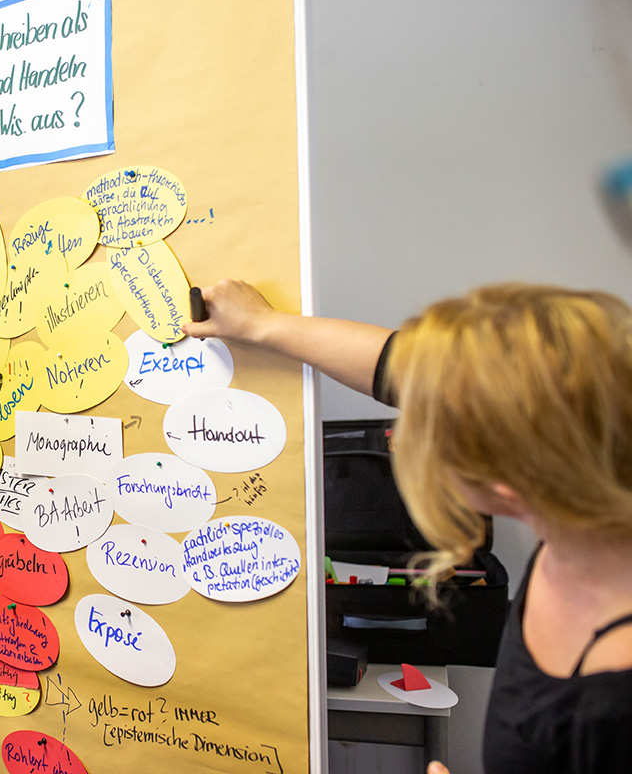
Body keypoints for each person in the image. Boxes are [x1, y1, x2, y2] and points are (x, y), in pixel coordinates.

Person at [185, 279, 632, 773]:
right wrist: (263, 325)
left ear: (503, 479)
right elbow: (396, 365)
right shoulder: (588, 506)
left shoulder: (615, 699)